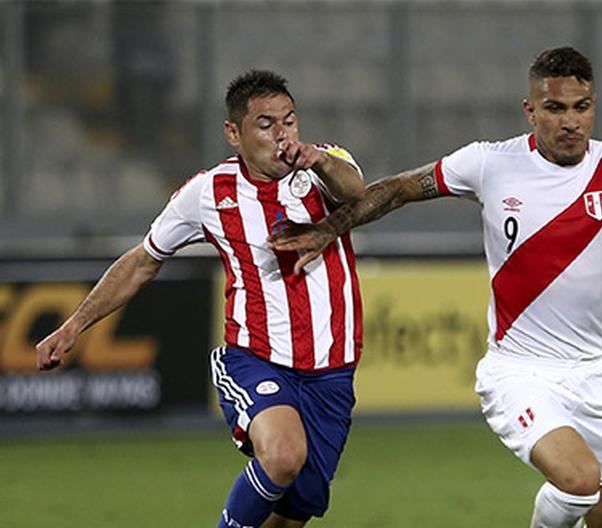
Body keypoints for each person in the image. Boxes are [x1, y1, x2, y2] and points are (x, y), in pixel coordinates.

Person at [269, 47, 602, 527]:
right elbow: (400, 188)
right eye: (555, 108)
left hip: (592, 372)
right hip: (519, 372)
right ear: (530, 110)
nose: (571, 121)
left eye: (582, 106)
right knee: (577, 481)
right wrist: (331, 228)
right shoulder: (490, 163)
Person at [35, 70, 366, 528]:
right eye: (266, 124)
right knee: (284, 455)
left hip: (332, 371)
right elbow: (142, 260)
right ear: (234, 133)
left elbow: (357, 192)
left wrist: (318, 162)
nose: (283, 134)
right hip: (257, 358)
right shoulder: (208, 193)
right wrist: (73, 325)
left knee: (290, 517)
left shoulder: (326, 168)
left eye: (289, 121)